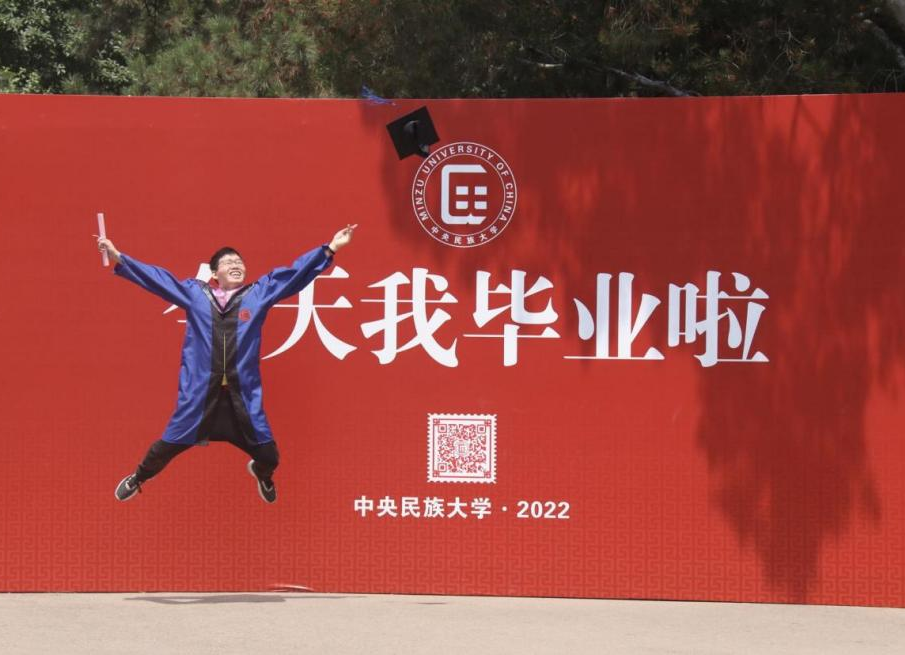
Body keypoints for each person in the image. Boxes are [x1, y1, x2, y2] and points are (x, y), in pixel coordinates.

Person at [97, 225, 357, 504]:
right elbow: (160, 280)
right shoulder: (195, 294)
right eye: (228, 262)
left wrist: (330, 248)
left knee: (269, 456)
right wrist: (119, 257)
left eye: (239, 262)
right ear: (214, 274)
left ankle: (261, 474)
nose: (236, 265)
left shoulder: (259, 294)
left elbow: (293, 275)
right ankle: (138, 478)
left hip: (240, 398)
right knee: (163, 449)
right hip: (200, 397)